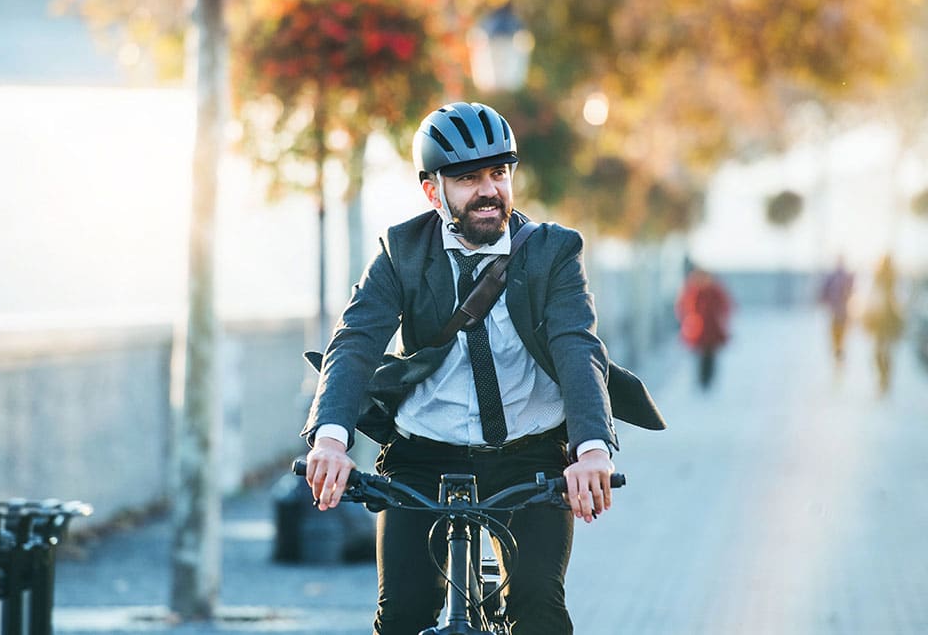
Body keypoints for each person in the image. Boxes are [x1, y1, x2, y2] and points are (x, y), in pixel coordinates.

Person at [300, 102, 664, 635]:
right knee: (400, 616)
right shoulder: (401, 252)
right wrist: (330, 441)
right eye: (468, 178)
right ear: (433, 191)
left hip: (529, 455)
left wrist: (590, 452)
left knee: (538, 610)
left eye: (499, 173)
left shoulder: (552, 252)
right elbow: (355, 341)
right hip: (422, 456)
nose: (489, 190)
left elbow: (577, 347)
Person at [675, 266, 733, 390]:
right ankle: (702, 380)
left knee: (710, 356)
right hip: (697, 330)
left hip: (712, 329)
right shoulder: (692, 291)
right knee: (700, 357)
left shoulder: (714, 291)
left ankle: (708, 379)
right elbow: (683, 307)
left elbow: (725, 307)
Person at [863, 254, 904, 395]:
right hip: (882, 321)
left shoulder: (893, 278)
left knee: (883, 352)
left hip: (887, 321)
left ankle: (884, 379)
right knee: (881, 353)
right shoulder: (880, 278)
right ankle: (884, 378)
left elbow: (899, 301)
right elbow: (872, 298)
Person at [818, 256, 855, 363]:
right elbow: (824, 292)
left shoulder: (838, 276)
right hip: (838, 312)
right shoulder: (835, 277)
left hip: (839, 312)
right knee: (838, 335)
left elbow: (851, 290)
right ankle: (838, 353)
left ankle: (838, 353)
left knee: (838, 335)